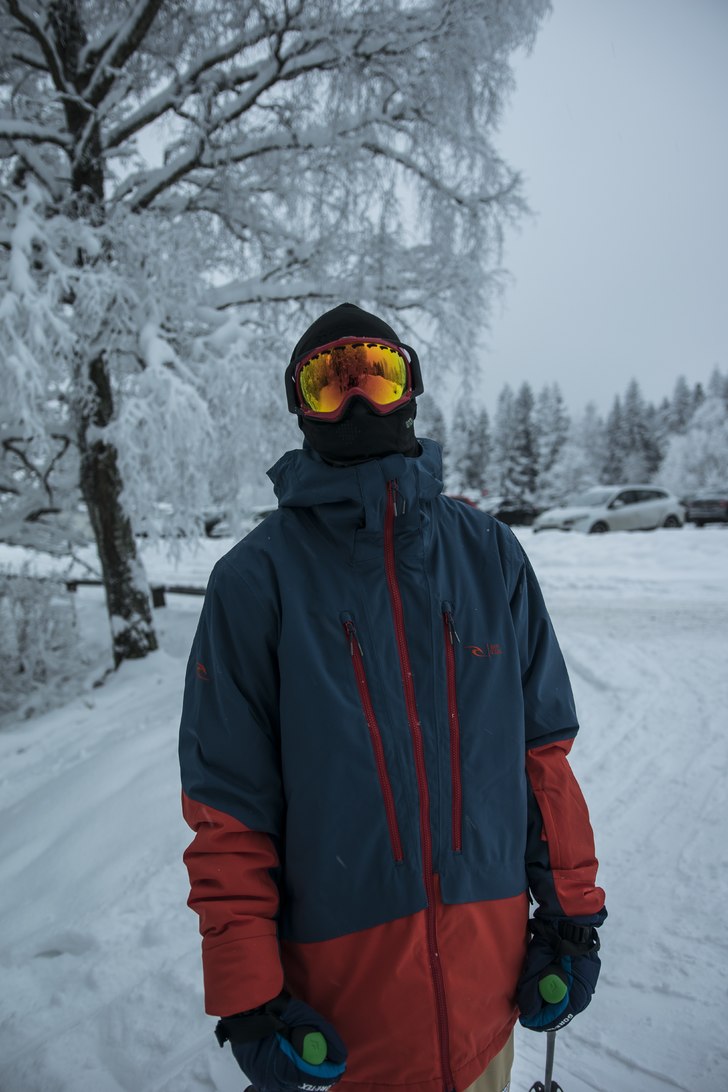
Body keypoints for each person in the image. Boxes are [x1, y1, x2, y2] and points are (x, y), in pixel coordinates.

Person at [179, 303, 606, 1092]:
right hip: (339, 1037)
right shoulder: (254, 582)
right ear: (299, 408)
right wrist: (249, 996)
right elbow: (227, 809)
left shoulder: (490, 557)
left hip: (487, 1017)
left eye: (375, 376)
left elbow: (543, 756)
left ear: (410, 389)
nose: (357, 404)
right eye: (328, 387)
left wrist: (571, 914)